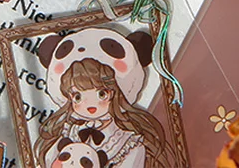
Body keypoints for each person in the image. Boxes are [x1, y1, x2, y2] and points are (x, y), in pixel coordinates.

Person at [36, 59, 170, 168]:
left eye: (101, 94)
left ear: (111, 93)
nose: (90, 103)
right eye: (78, 97)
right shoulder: (69, 130)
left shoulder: (127, 143)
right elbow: (48, 160)